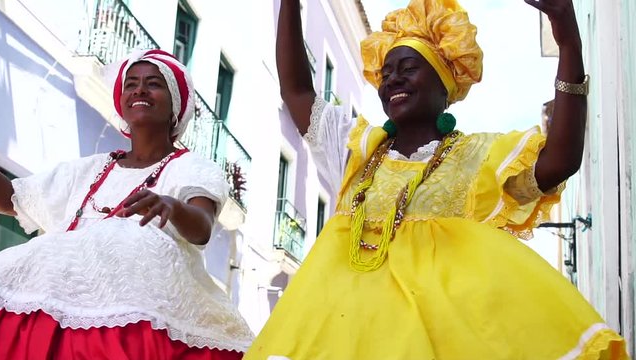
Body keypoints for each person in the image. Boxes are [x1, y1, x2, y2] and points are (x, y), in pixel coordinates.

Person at [245, 0, 629, 359]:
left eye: (408, 68)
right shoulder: (355, 152)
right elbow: (296, 91)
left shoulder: (480, 159)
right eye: (386, 73)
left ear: (444, 82)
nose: (392, 79)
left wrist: (569, 42)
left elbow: (561, 159)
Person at [0, 49, 253, 359]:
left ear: (175, 106)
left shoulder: (192, 168)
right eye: (131, 84)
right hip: (57, 315)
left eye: (153, 83)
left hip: (133, 329)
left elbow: (201, 228)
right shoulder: (88, 169)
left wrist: (172, 205)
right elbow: (12, 199)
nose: (139, 90)